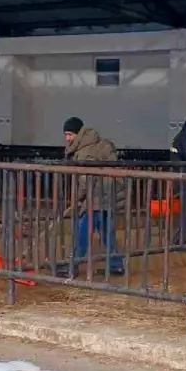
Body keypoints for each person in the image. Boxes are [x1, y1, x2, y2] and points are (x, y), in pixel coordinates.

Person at [62, 117, 125, 275]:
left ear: (78, 133)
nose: (67, 138)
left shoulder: (85, 150)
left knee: (82, 233)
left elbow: (85, 179)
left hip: (95, 199)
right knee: (106, 234)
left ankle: (72, 266)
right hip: (106, 196)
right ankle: (116, 264)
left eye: (69, 134)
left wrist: (76, 200)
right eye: (66, 135)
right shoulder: (97, 144)